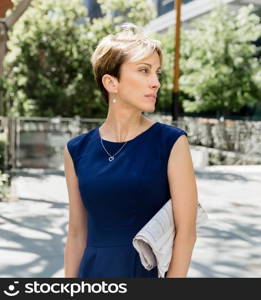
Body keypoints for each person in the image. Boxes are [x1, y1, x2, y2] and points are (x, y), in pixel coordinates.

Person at [63, 23, 198, 278]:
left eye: (157, 73)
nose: (156, 82)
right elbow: (77, 233)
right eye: (144, 71)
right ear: (111, 82)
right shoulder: (76, 150)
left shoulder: (171, 142)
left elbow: (187, 232)